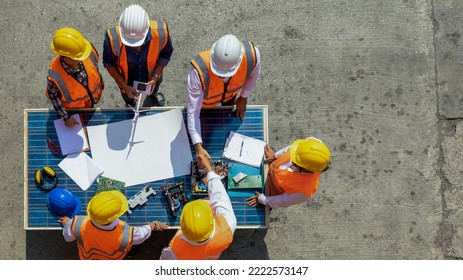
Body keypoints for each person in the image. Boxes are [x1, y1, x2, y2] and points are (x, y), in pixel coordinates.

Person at [187, 34, 261, 160]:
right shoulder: (198, 71)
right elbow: (193, 112)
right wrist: (198, 146)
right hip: (205, 104)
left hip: (231, 96)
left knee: (228, 107)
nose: (221, 77)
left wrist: (243, 97)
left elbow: (253, 75)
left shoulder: (252, 57)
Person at [160, 154, 237, 260]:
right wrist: (209, 169)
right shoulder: (227, 228)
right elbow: (220, 197)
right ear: (211, 219)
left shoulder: (174, 250)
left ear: (182, 225)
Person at [58, 190, 168, 260]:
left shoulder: (77, 223)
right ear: (116, 215)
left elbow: (68, 238)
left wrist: (68, 223)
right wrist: (153, 226)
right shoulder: (127, 234)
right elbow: (142, 234)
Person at [103, 4, 174, 108]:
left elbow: (166, 54)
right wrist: (124, 86)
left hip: (153, 75)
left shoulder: (161, 33)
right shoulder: (112, 38)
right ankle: (130, 103)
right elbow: (109, 63)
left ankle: (154, 93)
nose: (137, 46)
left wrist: (155, 77)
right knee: (128, 97)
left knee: (155, 87)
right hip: (126, 81)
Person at [246, 137, 331, 209]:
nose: (291, 162)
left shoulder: (303, 192)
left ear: (306, 169)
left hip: (268, 192)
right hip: (268, 169)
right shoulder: (308, 148)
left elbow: (281, 201)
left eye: (294, 163)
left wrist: (262, 199)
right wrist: (274, 156)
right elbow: (289, 149)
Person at [46, 27, 104, 127]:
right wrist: (66, 118)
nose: (83, 59)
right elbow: (54, 96)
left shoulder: (87, 51)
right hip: (72, 110)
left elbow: (95, 68)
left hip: (90, 102)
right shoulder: (55, 75)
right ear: (66, 58)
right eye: (78, 58)